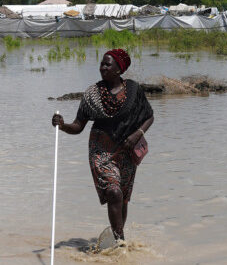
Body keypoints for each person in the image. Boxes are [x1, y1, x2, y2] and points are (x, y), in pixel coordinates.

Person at [51, 49, 154, 242]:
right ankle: (120, 241)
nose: (103, 68)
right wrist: (63, 125)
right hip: (101, 151)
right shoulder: (93, 94)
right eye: (102, 64)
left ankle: (116, 240)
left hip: (127, 151)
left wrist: (137, 134)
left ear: (119, 69)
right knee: (113, 192)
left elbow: (149, 116)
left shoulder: (133, 90)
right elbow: (78, 126)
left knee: (122, 198)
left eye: (108, 64)